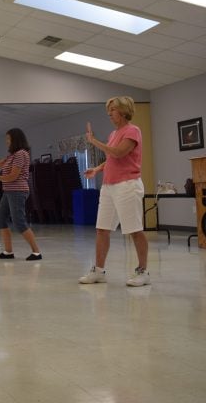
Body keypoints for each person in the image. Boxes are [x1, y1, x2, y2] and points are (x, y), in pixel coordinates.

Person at [79, 96, 149, 286]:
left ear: (124, 111)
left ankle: (143, 272)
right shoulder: (113, 134)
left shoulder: (133, 131)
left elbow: (118, 152)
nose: (109, 114)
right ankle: (99, 271)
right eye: (108, 110)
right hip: (109, 186)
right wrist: (97, 169)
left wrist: (94, 141)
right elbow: (112, 158)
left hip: (127, 185)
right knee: (102, 229)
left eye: (113, 110)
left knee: (134, 230)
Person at [0, 128, 42, 261]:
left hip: (17, 190)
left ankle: (36, 252)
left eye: (8, 139)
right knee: (0, 219)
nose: (7, 142)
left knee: (19, 222)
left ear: (15, 139)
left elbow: (13, 176)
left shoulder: (21, 154)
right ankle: (8, 252)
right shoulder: (12, 155)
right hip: (9, 191)